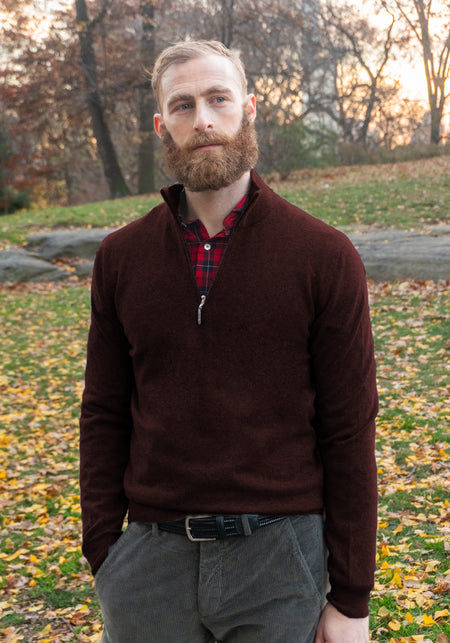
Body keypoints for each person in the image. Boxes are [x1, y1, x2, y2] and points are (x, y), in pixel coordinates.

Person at [79, 40, 378, 643]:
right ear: (163, 126)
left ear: (249, 108)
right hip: (149, 566)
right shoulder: (121, 257)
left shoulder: (323, 256)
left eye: (219, 98)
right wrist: (106, 552)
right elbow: (104, 413)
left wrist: (351, 597)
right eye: (183, 106)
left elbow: (349, 430)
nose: (204, 119)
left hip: (280, 558)